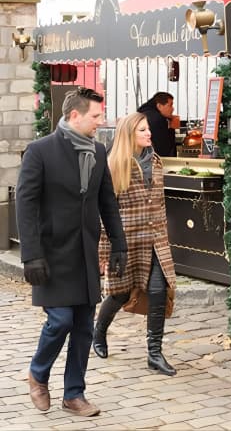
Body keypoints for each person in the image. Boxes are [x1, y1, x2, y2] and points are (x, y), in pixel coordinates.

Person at [16, 87, 128, 417]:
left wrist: (118, 243)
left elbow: (107, 201)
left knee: (83, 326)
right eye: (96, 116)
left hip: (85, 253)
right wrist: (30, 254)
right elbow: (25, 205)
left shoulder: (98, 151)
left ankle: (74, 394)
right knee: (60, 320)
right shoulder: (40, 151)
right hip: (51, 254)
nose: (101, 121)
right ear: (74, 116)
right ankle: (38, 374)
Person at [93, 112, 178, 376]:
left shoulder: (155, 160)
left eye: (148, 129)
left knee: (158, 289)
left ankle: (154, 353)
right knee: (119, 293)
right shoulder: (114, 164)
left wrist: (163, 233)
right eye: (142, 130)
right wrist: (104, 252)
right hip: (126, 240)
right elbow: (105, 211)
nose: (148, 133)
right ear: (129, 134)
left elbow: (160, 202)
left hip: (154, 239)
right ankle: (98, 332)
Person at [137, 92, 177, 156]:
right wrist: (172, 128)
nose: (173, 109)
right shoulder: (158, 119)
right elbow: (165, 148)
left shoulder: (140, 115)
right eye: (170, 105)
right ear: (159, 106)